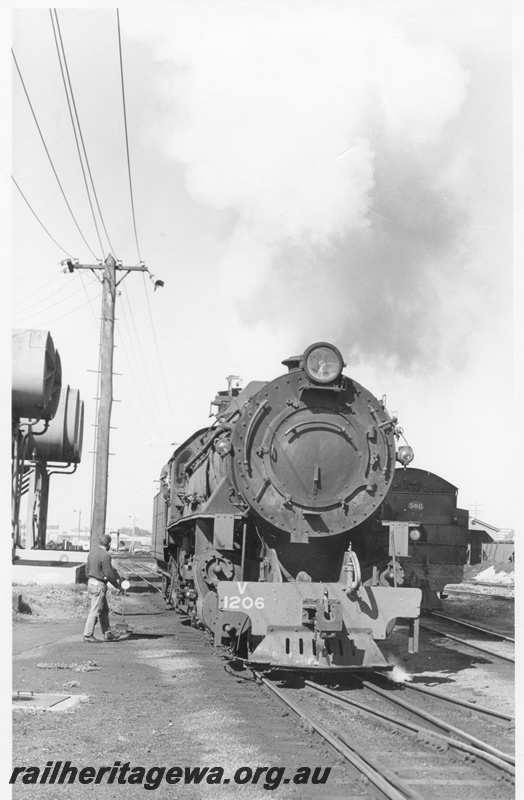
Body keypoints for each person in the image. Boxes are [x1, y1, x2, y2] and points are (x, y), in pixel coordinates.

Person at [83, 533, 122, 643]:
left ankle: (107, 634)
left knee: (104, 610)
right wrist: (117, 585)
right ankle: (88, 635)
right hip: (99, 585)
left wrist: (92, 578)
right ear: (109, 544)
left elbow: (87, 569)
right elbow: (109, 574)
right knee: (95, 611)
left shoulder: (92, 553)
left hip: (91, 582)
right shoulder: (105, 556)